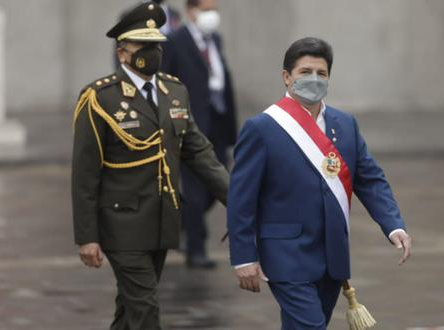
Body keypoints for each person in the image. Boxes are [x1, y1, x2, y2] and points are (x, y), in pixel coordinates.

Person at [227, 37, 412, 329]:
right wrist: (243, 257)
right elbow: (241, 198)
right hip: (286, 255)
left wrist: (393, 225)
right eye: (305, 72)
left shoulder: (345, 124)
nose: (313, 79)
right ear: (286, 77)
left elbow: (370, 178)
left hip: (332, 255)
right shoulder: (262, 128)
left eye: (321, 74)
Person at [71, 2, 229, 329]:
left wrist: (236, 197)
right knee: (145, 309)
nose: (152, 52)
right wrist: (87, 236)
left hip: (162, 221)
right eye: (143, 46)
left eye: (156, 45)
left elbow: (198, 152)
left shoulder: (174, 91)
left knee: (129, 311)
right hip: (120, 224)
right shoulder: (100, 99)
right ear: (122, 53)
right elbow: (85, 174)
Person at [161, 0, 237, 268]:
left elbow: (222, 80)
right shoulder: (175, 41)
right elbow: (165, 82)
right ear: (191, 11)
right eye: (206, 9)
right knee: (194, 187)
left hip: (217, 121)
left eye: (214, 9)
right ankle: (196, 249)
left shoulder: (215, 38)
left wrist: (231, 130)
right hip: (190, 125)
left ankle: (179, 220)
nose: (212, 15)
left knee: (218, 182)